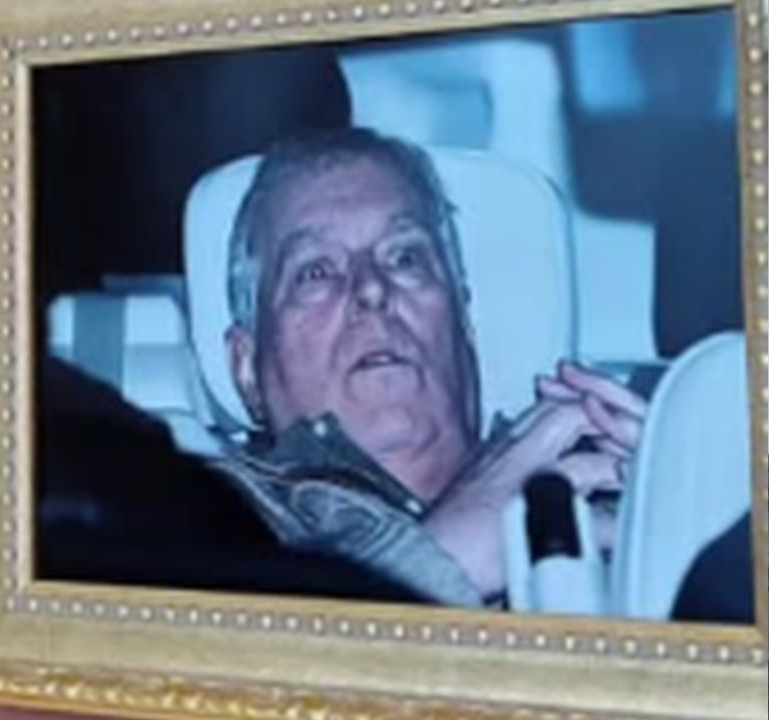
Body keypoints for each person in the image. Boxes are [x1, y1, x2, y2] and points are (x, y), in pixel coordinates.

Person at [215, 127, 647, 606]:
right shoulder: (205, 520)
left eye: (404, 258)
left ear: (464, 325)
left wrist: (674, 497)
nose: (372, 289)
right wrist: (445, 560)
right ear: (246, 368)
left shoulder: (597, 488)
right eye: (315, 272)